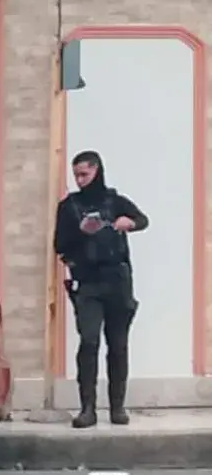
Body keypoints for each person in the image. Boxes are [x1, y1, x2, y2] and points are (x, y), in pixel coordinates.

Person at [54, 150, 149, 430]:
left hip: (118, 281)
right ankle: (87, 409)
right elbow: (60, 244)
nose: (81, 181)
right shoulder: (69, 207)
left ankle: (117, 407)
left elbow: (143, 219)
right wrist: (82, 231)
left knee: (118, 345)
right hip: (88, 283)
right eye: (77, 176)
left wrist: (128, 223)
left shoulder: (114, 200)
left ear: (97, 170)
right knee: (90, 342)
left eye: (85, 174)